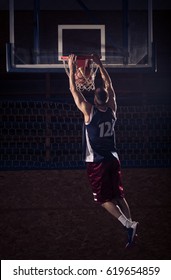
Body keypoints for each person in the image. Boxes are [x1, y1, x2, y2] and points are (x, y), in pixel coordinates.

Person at [68, 53, 138, 247]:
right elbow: (111, 86)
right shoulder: (113, 108)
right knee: (119, 196)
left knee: (103, 200)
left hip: (97, 161)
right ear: (107, 98)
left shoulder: (88, 110)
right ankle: (130, 225)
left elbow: (73, 88)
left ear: (95, 98)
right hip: (113, 158)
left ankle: (127, 223)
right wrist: (100, 65)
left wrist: (72, 67)